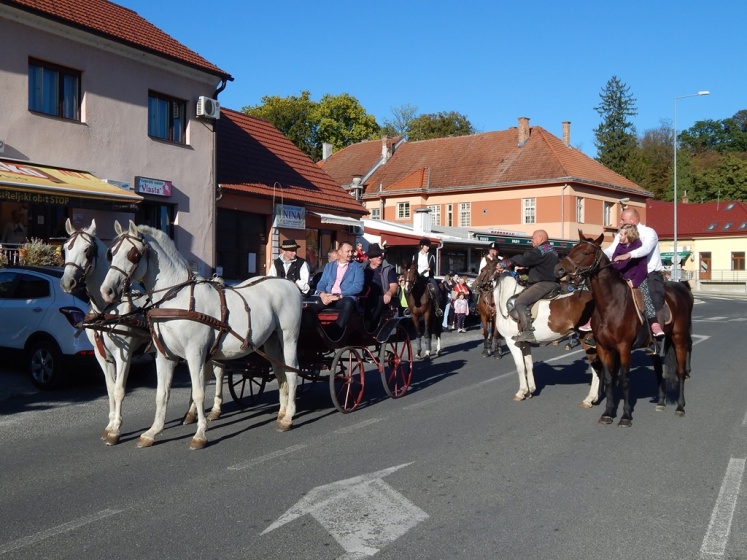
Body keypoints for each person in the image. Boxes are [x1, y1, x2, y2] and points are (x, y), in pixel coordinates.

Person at [603, 207, 666, 339]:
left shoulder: (649, 232)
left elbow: (646, 249)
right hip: (626, 274)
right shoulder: (622, 234)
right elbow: (611, 251)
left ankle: (656, 337)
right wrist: (597, 255)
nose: (620, 222)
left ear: (632, 220)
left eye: (622, 219)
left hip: (649, 274)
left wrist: (628, 255)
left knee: (654, 298)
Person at [501, 229, 559, 343]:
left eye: (533, 238)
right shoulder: (553, 251)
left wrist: (505, 263)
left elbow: (523, 259)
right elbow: (544, 269)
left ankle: (528, 332)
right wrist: (526, 272)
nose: (531, 240)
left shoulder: (540, 251)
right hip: (552, 283)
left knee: (520, 302)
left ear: (541, 238)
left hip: (543, 284)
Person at [314, 241, 365, 339]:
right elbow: (322, 282)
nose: (350, 254)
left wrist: (340, 295)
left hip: (344, 298)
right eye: (348, 251)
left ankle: (336, 333)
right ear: (340, 252)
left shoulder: (357, 267)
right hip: (328, 296)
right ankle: (313, 332)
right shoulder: (329, 266)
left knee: (348, 304)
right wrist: (322, 294)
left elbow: (358, 286)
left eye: (352, 251)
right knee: (311, 306)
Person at [362, 243, 397, 330]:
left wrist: (389, 293)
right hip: (364, 297)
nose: (379, 257)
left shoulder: (388, 269)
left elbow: (394, 286)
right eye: (376, 256)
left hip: (381, 297)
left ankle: (369, 327)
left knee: (378, 299)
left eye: (380, 255)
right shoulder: (362, 268)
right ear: (370, 258)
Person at [412, 237, 443, 317]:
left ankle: (437, 308)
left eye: (429, 246)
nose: (428, 248)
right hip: (418, 278)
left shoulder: (431, 256)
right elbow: (413, 267)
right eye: (427, 246)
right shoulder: (415, 256)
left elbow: (431, 267)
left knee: (436, 290)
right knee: (409, 289)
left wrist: (424, 272)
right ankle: (409, 307)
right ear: (422, 246)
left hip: (428, 277)